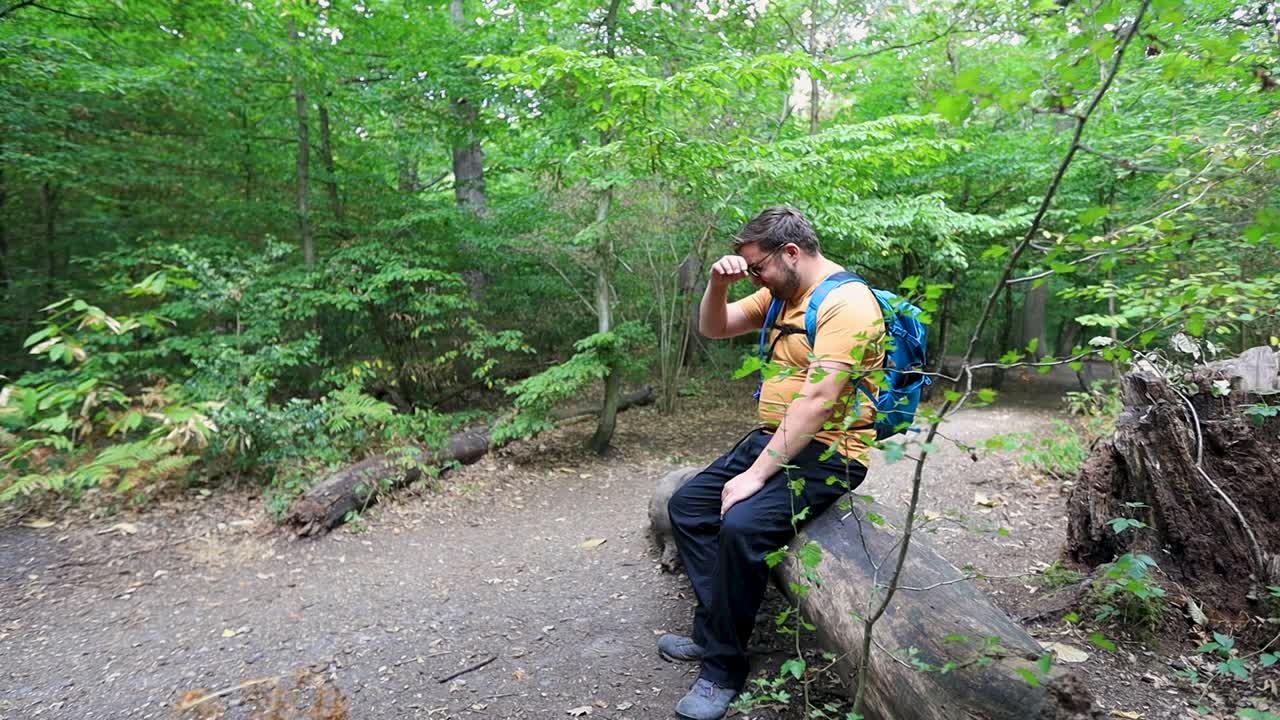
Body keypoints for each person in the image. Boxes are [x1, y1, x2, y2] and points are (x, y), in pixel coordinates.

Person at [661, 206, 885, 720]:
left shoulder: (847, 304)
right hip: (776, 438)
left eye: (757, 266)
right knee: (688, 506)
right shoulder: (779, 291)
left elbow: (818, 400)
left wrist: (754, 476)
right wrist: (719, 283)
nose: (754, 276)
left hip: (830, 452)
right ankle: (717, 627)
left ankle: (722, 670)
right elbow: (714, 328)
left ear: (791, 253)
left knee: (740, 526)